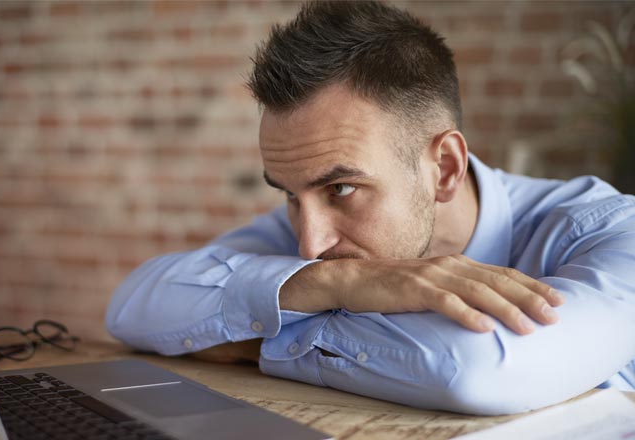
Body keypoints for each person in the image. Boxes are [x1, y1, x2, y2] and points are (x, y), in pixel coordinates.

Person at [106, 1, 635, 415]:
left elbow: (474, 370)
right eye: (289, 194)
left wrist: (252, 340)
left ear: (444, 168)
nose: (309, 244)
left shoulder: (610, 232)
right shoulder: (321, 239)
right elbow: (134, 306)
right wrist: (339, 286)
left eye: (341, 189)